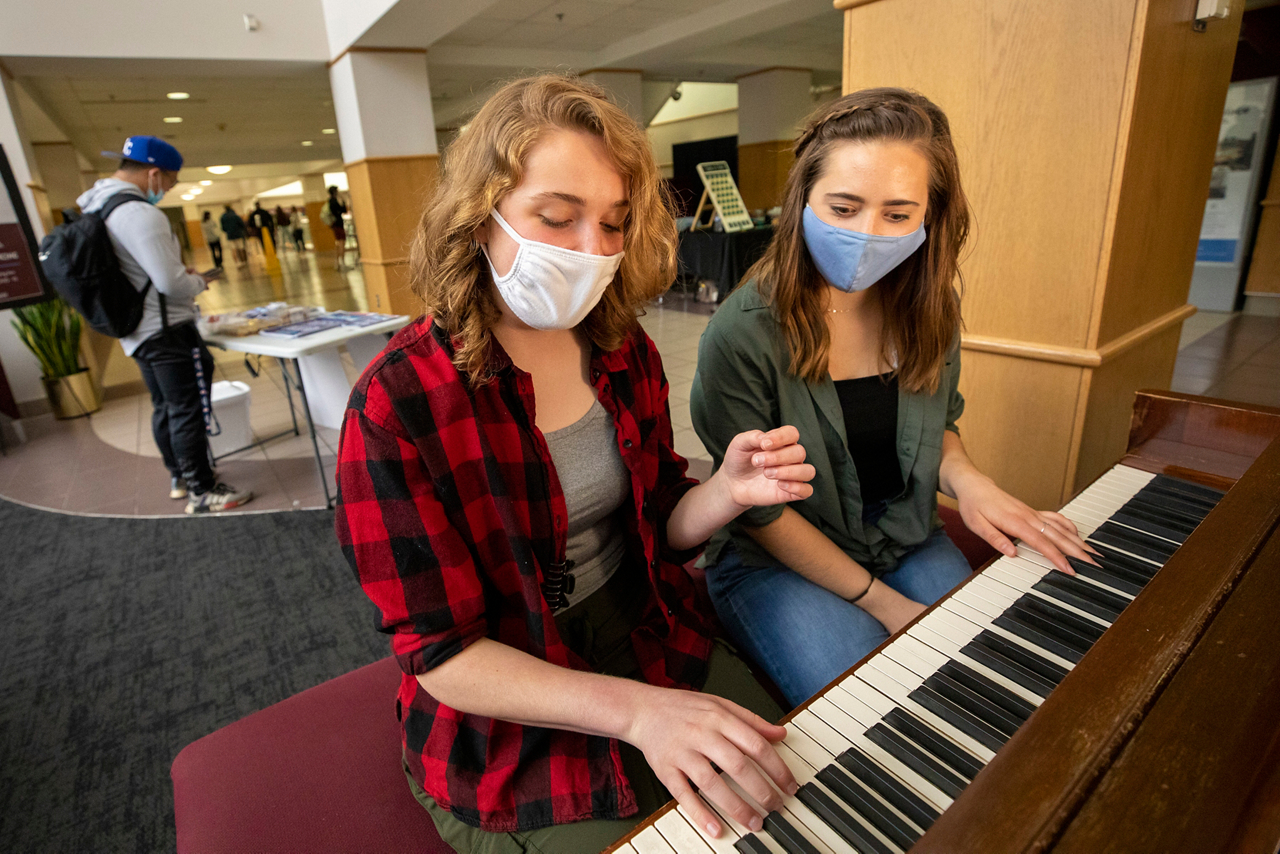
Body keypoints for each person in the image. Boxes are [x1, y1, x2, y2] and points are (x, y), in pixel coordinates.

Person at [334, 75, 817, 854]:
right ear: (480, 217)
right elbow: (441, 653)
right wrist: (638, 713)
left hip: (645, 624)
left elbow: (661, 522)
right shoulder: (397, 406)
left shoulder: (622, 350)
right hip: (507, 702)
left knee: (792, 790)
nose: (593, 251)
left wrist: (726, 491)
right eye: (557, 218)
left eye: (613, 222)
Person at [690, 88, 1097, 707]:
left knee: (994, 676)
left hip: (905, 532)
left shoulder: (929, 307)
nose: (867, 234)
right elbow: (759, 511)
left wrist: (971, 483)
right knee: (882, 700)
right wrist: (883, 604)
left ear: (930, 216)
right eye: (844, 208)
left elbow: (940, 427)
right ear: (802, 201)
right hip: (779, 557)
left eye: (898, 215)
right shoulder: (742, 332)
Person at [77, 136, 253, 514]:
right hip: (167, 330)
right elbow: (170, 284)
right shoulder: (140, 213)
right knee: (187, 409)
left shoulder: (100, 206)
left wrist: (172, 273)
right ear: (154, 173)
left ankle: (181, 477)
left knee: (166, 406)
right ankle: (202, 491)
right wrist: (198, 281)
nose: (169, 189)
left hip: (137, 331)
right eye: (171, 181)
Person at [324, 185, 347, 271]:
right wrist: (343, 200)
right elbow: (343, 210)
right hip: (339, 224)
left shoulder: (330, 201)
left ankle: (337, 262)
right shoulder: (334, 201)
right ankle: (342, 262)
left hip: (335, 225)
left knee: (338, 243)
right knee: (342, 243)